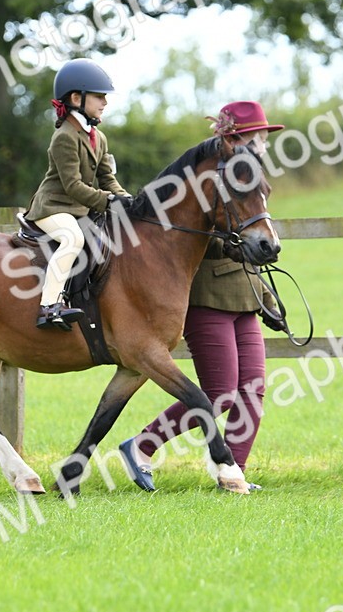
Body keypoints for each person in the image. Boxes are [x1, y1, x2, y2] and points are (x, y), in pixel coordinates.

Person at [117, 100, 288, 492]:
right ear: (235, 137)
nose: (264, 142)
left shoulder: (250, 176)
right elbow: (185, 237)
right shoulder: (208, 173)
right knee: (220, 392)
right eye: (258, 135)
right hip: (205, 293)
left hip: (244, 294)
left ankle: (233, 473)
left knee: (254, 387)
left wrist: (268, 298)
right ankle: (141, 446)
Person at [24, 58, 132, 331]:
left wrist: (126, 200)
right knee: (72, 239)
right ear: (76, 98)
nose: (105, 103)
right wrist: (107, 201)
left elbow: (108, 179)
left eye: (104, 97)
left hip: (79, 209)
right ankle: (49, 306)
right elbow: (72, 185)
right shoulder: (64, 137)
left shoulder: (99, 137)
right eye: (99, 97)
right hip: (52, 207)